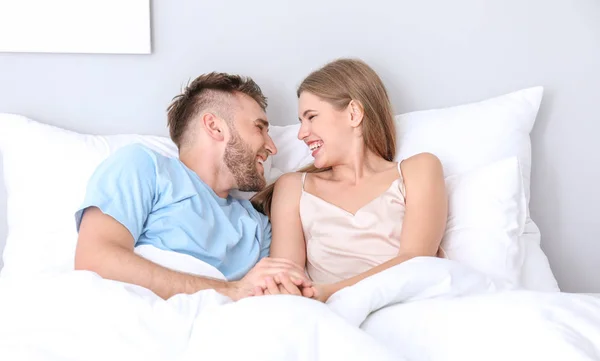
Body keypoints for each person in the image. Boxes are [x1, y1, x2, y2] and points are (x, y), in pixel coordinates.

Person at [74, 72, 315, 301]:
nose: (272, 147)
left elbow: (276, 300)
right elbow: (95, 260)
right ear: (215, 126)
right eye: (259, 127)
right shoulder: (144, 166)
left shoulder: (257, 226)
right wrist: (230, 290)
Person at [251, 58, 449, 302]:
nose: (302, 133)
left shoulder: (418, 170)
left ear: (354, 113)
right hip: (330, 317)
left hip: (405, 306)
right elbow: (287, 280)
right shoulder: (294, 187)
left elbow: (416, 261)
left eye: (311, 117)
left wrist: (331, 293)